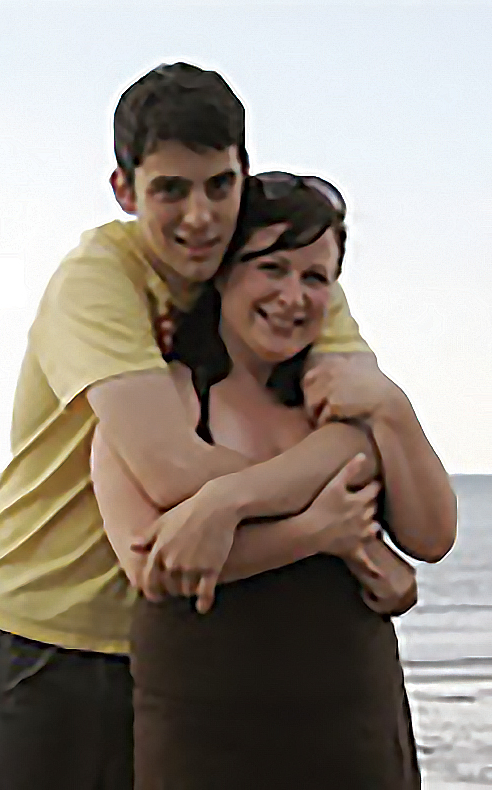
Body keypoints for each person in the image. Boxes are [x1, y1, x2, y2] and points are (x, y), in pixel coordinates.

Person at [0, 63, 417, 789]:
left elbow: (360, 435)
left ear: (242, 175)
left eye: (218, 186)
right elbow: (170, 469)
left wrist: (251, 499)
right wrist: (323, 523)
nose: (200, 217)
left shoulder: (279, 271)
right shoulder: (98, 280)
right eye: (170, 189)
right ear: (125, 191)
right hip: (47, 631)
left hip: (182, 640)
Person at [92, 173, 457, 789]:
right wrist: (317, 531)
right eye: (272, 268)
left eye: (316, 278)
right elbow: (157, 567)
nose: (293, 296)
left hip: (351, 724)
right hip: (204, 731)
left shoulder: (341, 409)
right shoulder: (166, 405)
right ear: (225, 271)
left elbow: (431, 536)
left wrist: (391, 407)